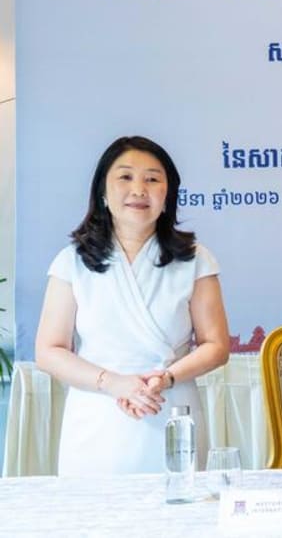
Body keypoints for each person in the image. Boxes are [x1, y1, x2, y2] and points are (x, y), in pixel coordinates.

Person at [35, 136, 230, 475]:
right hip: (97, 414)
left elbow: (216, 345)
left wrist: (165, 378)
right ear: (102, 192)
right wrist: (113, 383)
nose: (139, 189)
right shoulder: (72, 262)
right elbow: (49, 350)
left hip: (170, 409)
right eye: (125, 177)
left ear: (167, 195)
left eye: (153, 179)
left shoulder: (195, 259)